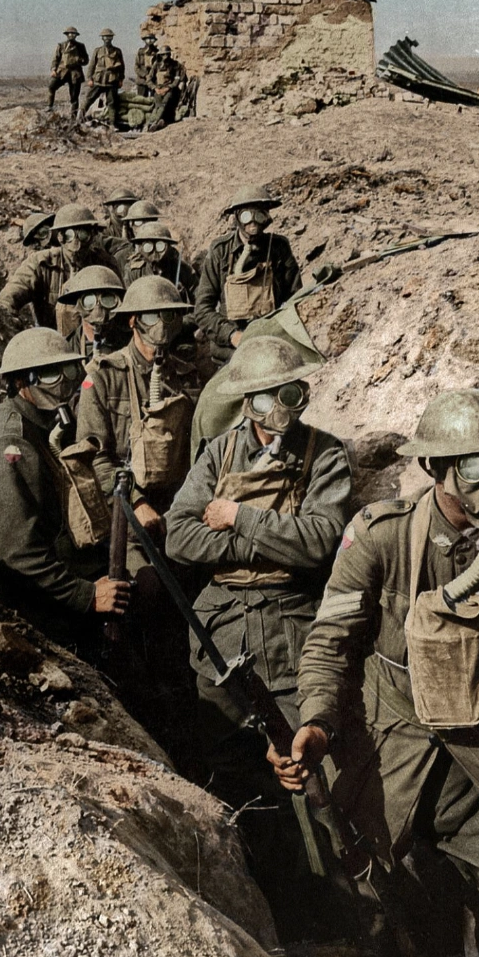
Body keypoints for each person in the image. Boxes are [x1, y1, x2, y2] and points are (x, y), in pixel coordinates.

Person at [270, 389, 479, 957]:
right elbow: (330, 641)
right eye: (473, 466)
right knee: (366, 924)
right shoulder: (380, 537)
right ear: (435, 469)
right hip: (388, 764)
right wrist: (315, 723)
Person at [165, 338, 351, 899]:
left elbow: (321, 541)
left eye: (292, 394)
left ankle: (343, 896)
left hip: (293, 626)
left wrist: (238, 518)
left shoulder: (326, 454)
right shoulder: (219, 453)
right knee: (232, 768)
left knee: (311, 766)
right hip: (221, 628)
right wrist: (266, 543)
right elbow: (179, 535)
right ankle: (265, 893)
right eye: (270, 397)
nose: (283, 409)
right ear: (248, 401)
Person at [0, 328, 130, 637]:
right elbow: (18, 553)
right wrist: (87, 595)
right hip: (36, 601)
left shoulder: (43, 423)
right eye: (48, 374)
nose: (65, 381)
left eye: (69, 369)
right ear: (19, 382)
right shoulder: (13, 441)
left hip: (61, 575)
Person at [76, 276, 200, 586]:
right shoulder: (104, 377)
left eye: (168, 315)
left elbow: (201, 450)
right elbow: (94, 458)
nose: (160, 324)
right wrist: (136, 502)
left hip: (177, 506)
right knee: (148, 586)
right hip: (123, 510)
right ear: (132, 320)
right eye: (150, 316)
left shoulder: (188, 377)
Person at [193, 185, 302, 366]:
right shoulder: (220, 251)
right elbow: (203, 309)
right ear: (236, 217)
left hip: (271, 341)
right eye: (246, 215)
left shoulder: (279, 248)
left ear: (267, 217)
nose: (253, 222)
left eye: (259, 214)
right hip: (232, 348)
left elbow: (295, 298)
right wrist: (231, 335)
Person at [0, 204, 120, 335]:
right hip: (54, 343)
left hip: (98, 340)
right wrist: (9, 319)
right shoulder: (41, 263)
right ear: (60, 236)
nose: (76, 242)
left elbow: (120, 307)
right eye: (69, 235)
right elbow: (10, 295)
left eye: (83, 234)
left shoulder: (105, 263)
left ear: (92, 234)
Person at [54, 264, 127, 358]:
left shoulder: (130, 342)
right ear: (78, 304)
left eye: (107, 299)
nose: (98, 308)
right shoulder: (69, 348)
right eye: (89, 301)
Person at [122, 221, 198, 302]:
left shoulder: (182, 269)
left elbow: (199, 299)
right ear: (141, 247)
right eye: (148, 246)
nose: (155, 251)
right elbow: (128, 303)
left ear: (168, 246)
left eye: (160, 245)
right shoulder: (134, 272)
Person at [79, 29, 125, 128]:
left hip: (112, 80)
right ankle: (78, 119)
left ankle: (112, 124)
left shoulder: (117, 51)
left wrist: (121, 79)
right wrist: (90, 78)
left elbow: (122, 67)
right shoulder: (98, 50)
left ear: (112, 38)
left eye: (109, 37)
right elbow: (92, 65)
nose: (107, 39)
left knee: (112, 103)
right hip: (98, 80)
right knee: (88, 99)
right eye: (105, 37)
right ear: (102, 38)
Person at [47, 26, 89, 118]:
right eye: (70, 34)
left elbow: (86, 60)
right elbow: (55, 59)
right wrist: (53, 69)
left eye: (73, 34)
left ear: (76, 35)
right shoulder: (61, 45)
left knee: (74, 97)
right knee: (51, 86)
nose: (71, 35)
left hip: (75, 73)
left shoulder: (80, 46)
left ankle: (73, 116)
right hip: (62, 72)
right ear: (67, 35)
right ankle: (49, 106)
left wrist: (78, 60)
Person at [145, 45, 187, 132]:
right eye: (163, 54)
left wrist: (168, 88)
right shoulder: (156, 65)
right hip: (158, 89)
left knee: (165, 103)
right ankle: (152, 123)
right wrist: (155, 88)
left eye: (167, 54)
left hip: (169, 89)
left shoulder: (175, 65)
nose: (166, 57)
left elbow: (177, 80)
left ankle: (156, 122)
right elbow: (149, 79)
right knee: (157, 106)